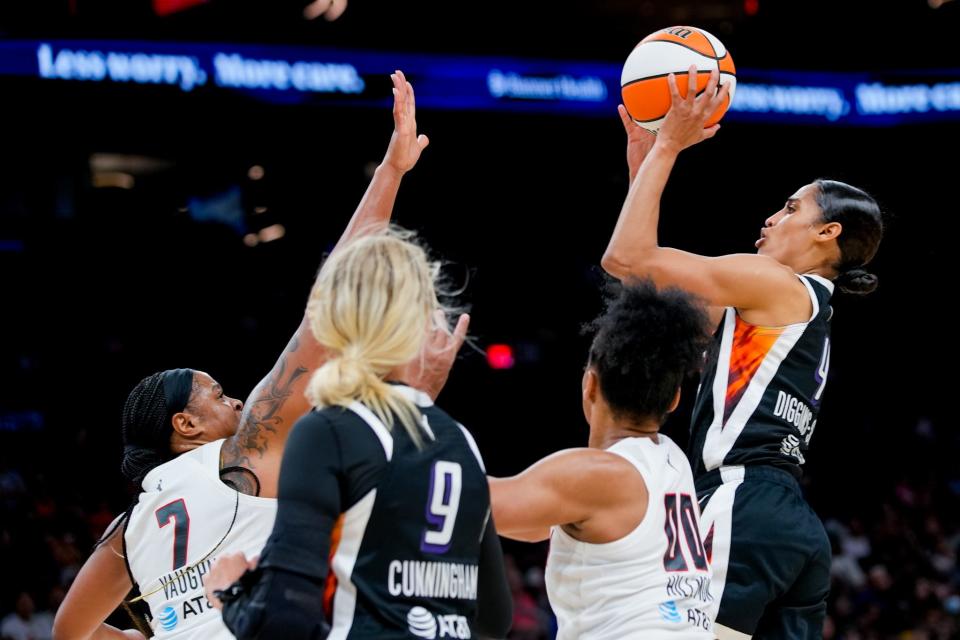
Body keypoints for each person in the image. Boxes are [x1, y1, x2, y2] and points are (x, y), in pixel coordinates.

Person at [52, 71, 469, 640]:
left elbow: (70, 630)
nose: (240, 398)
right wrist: (391, 172)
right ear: (187, 424)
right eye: (219, 394)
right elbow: (329, 303)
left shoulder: (132, 525)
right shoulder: (245, 449)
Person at [602, 67, 885, 639]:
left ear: (826, 233)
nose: (771, 217)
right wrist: (642, 166)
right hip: (787, 521)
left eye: (789, 208)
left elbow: (624, 258)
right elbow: (653, 291)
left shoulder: (775, 284)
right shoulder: (795, 305)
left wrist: (669, 147)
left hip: (739, 499)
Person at [203, 229, 513, 640]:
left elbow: (282, 620)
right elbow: (494, 616)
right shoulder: (461, 439)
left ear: (331, 319)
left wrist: (232, 592)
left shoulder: (330, 432)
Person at [489, 280, 715, 639]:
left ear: (589, 385)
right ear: (673, 399)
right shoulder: (672, 458)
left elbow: (474, 502)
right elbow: (535, 524)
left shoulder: (599, 475)